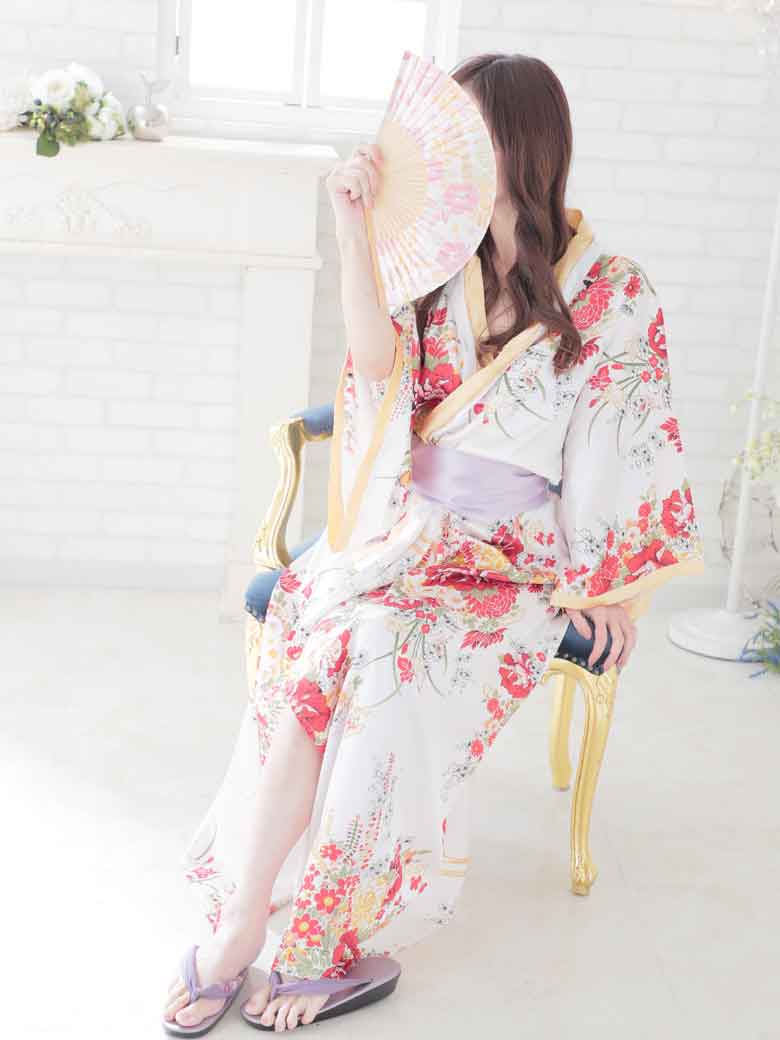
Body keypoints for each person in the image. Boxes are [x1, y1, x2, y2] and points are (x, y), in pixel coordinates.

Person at [162, 52, 706, 1033]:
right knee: (338, 638)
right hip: (403, 537)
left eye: (467, 135)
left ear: (521, 148)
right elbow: (376, 373)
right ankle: (245, 922)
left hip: (514, 564)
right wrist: (351, 231)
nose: (442, 153)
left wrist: (610, 589)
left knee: (377, 642)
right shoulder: (434, 260)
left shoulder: (613, 290)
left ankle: (319, 941)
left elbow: (625, 441)